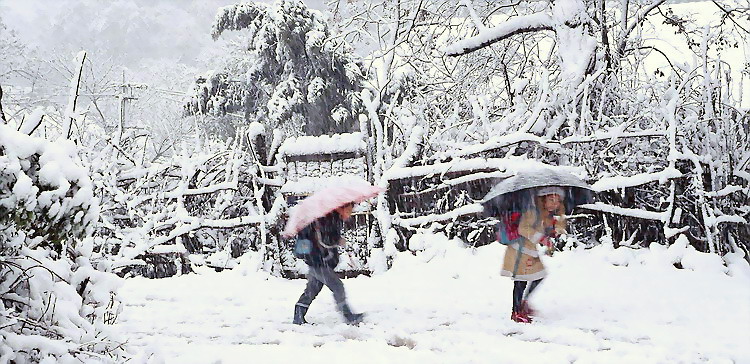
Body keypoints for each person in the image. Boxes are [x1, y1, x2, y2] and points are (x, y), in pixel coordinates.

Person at [501, 186, 567, 323]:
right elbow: (523, 228)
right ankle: (516, 311)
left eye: (557, 201)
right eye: (551, 200)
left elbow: (544, 229)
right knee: (521, 281)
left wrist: (553, 232)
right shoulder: (532, 211)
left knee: (539, 275)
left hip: (529, 251)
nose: (555, 204)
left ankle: (523, 304)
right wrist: (541, 238)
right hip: (519, 250)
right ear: (543, 200)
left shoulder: (544, 214)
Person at [293, 202, 364, 325]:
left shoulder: (333, 218)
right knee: (338, 287)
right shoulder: (329, 219)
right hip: (318, 260)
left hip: (317, 259)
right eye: (349, 210)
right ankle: (348, 316)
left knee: (312, 290)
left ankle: (298, 315)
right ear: (341, 208)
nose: (350, 213)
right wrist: (338, 240)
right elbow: (325, 240)